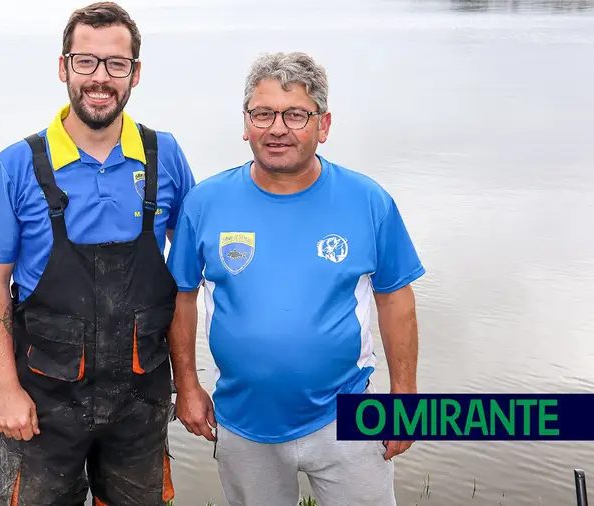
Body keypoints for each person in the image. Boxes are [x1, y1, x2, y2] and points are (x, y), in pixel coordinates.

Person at [166, 51, 425, 506]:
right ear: (246, 124)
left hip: (348, 412)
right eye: (263, 113)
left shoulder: (368, 201)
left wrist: (404, 395)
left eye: (296, 115)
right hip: (244, 420)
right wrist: (187, 385)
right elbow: (181, 298)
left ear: (323, 126)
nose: (277, 128)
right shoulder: (206, 202)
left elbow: (395, 299)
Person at [0, 2, 196, 505]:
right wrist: (5, 389)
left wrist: (190, 383)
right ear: (63, 66)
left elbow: (187, 280)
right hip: (43, 403)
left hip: (141, 401)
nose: (100, 78)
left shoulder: (165, 156)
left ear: (135, 73)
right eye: (85, 61)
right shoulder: (16, 165)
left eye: (116, 64)